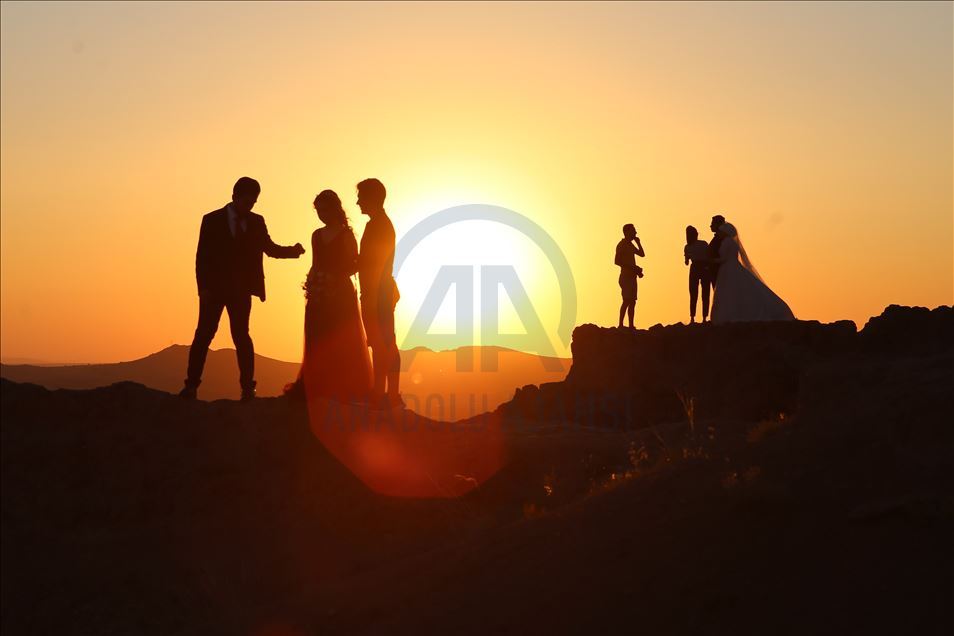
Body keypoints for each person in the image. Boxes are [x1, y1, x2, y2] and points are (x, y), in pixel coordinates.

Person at [180, 177, 305, 401]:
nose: (250, 206)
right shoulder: (211, 220)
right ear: (235, 196)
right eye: (248, 201)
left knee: (241, 336)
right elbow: (202, 257)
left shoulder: (257, 222)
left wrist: (292, 251)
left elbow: (269, 248)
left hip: (241, 290)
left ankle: (248, 388)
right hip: (214, 290)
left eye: (254, 202)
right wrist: (204, 288)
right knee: (204, 335)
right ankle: (191, 387)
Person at [284, 190, 373, 403]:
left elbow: (355, 265)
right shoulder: (316, 234)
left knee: (339, 338)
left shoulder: (346, 234)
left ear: (334, 209)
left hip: (340, 293)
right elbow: (315, 263)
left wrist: (334, 279)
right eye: (318, 210)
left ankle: (343, 387)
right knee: (317, 336)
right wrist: (313, 282)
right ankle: (317, 385)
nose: (321, 214)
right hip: (319, 292)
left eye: (324, 209)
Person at [356, 178, 403, 409]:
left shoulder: (378, 226)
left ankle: (385, 395)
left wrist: (370, 299)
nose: (357, 202)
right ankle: (387, 394)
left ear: (372, 198)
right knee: (384, 342)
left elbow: (373, 264)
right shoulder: (379, 224)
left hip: (378, 293)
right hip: (380, 292)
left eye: (361, 197)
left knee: (384, 342)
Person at [709, 222, 795, 324]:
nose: (719, 233)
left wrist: (711, 261)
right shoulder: (733, 243)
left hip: (727, 268)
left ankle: (729, 314)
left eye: (721, 231)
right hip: (733, 266)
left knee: (729, 291)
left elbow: (724, 258)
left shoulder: (726, 242)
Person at [615, 223, 645, 329]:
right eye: (633, 231)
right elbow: (617, 261)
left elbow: (642, 254)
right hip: (625, 277)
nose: (635, 233)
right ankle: (621, 324)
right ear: (627, 232)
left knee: (632, 301)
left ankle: (631, 325)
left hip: (632, 277)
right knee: (626, 300)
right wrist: (632, 268)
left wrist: (638, 243)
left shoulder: (630, 244)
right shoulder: (621, 245)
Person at [683, 225, 710, 323]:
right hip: (703, 267)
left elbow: (686, 262)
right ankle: (703, 317)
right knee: (704, 293)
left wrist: (688, 256)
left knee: (693, 293)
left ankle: (693, 318)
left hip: (695, 267)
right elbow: (708, 256)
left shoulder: (687, 246)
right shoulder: (703, 244)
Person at [705, 214, 726, 290]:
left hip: (718, 271)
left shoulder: (721, 239)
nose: (710, 226)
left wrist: (712, 260)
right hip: (714, 270)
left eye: (712, 224)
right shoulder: (717, 238)